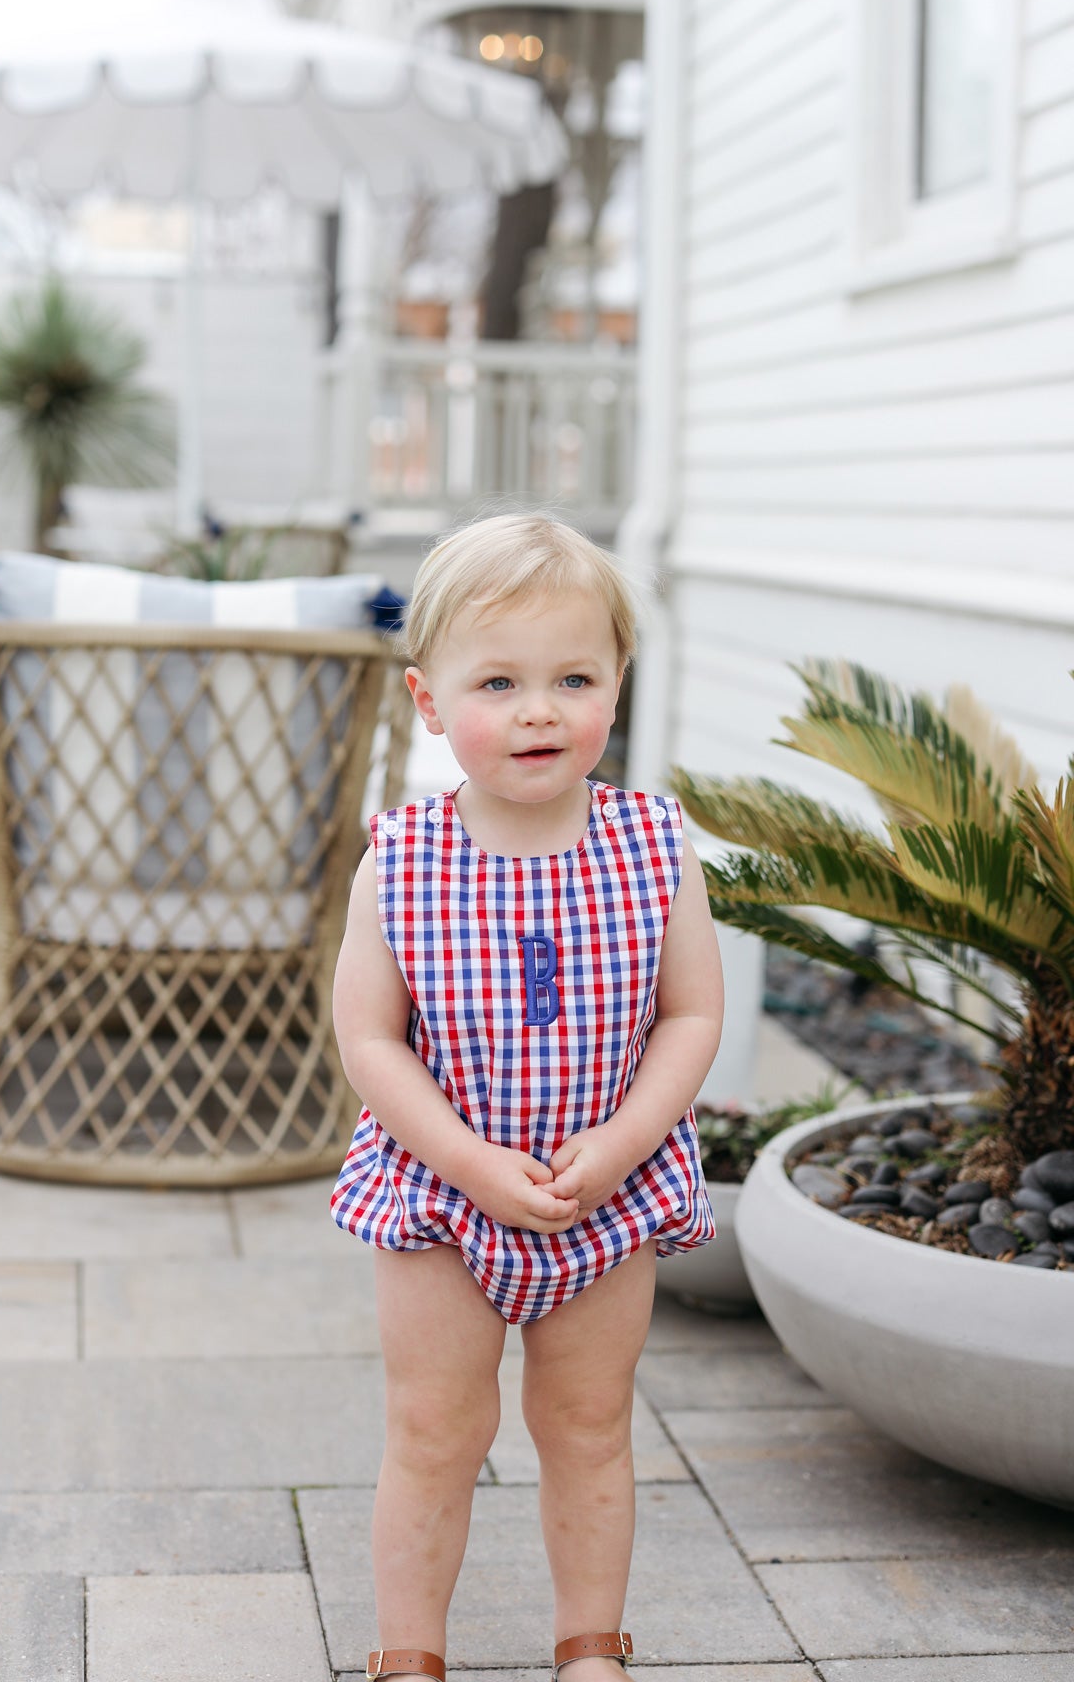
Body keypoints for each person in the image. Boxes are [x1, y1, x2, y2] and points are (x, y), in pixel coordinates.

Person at [330, 513, 724, 1682]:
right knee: (434, 1431)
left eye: (573, 678)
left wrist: (618, 1143)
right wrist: (467, 1162)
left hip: (606, 1193)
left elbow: (688, 1015)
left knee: (590, 1426)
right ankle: (409, 1652)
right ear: (428, 701)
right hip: (440, 1196)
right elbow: (369, 1039)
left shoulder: (652, 844)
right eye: (497, 681)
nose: (539, 709)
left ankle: (589, 1644)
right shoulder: (399, 858)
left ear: (616, 687)